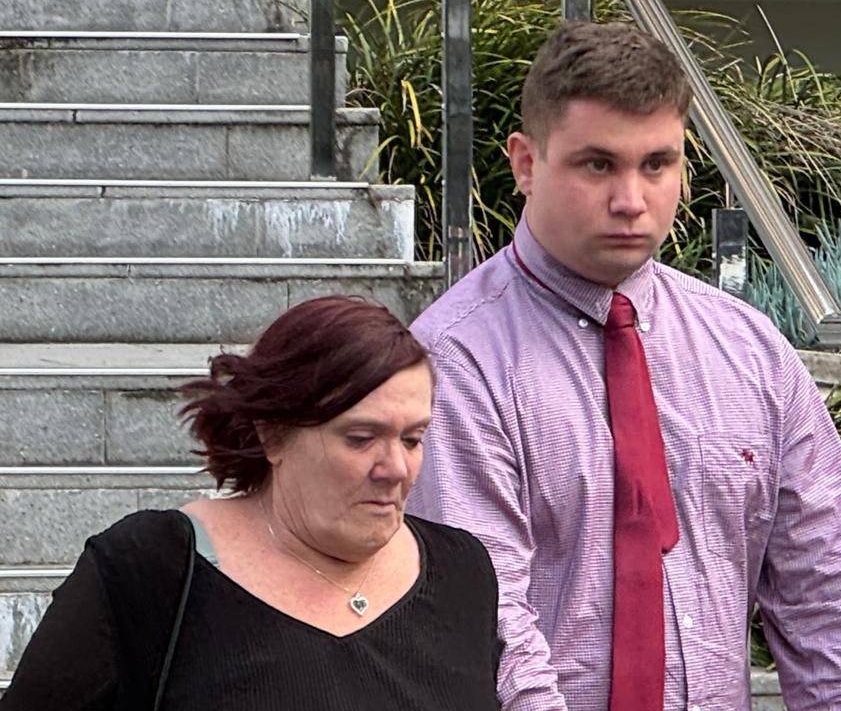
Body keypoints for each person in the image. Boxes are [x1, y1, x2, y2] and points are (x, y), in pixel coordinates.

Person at [405, 20, 841, 711]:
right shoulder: (454, 360)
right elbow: (489, 627)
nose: (631, 201)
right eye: (597, 165)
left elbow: (835, 599)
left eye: (656, 165)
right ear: (526, 162)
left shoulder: (750, 352)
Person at [1, 296, 501, 711]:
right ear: (273, 436)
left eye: (412, 439)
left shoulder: (463, 572)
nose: (395, 467)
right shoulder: (151, 570)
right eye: (360, 438)